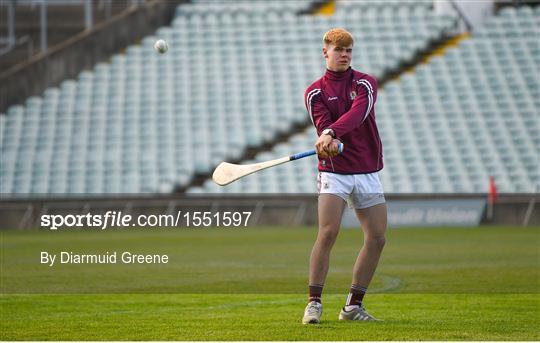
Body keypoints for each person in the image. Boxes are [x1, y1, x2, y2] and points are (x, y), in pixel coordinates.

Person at [302, 28, 387, 324]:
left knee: (377, 238)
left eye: (349, 50)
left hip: (366, 170)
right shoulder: (314, 92)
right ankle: (313, 303)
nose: (345, 55)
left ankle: (353, 306)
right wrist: (330, 143)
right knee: (328, 232)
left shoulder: (365, 83)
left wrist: (331, 133)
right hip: (335, 173)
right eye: (339, 50)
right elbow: (325, 128)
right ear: (325, 51)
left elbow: (358, 114)